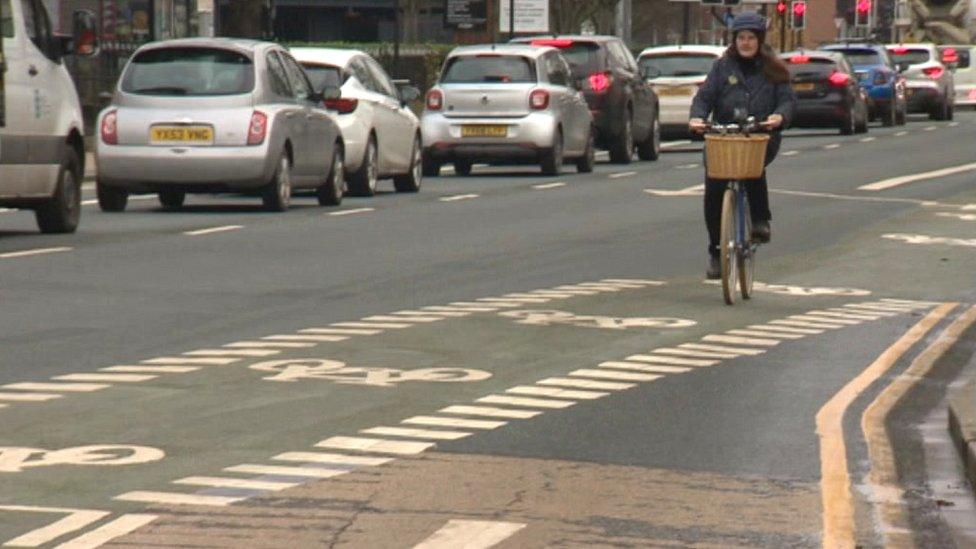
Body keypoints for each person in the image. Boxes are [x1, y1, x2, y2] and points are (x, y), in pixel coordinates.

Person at [689, 11, 796, 280]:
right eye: (741, 38)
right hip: (724, 135)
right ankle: (716, 250)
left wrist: (778, 116)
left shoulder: (774, 69)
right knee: (714, 190)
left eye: (750, 38)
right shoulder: (722, 67)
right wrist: (697, 117)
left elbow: (787, 100)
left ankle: (760, 220)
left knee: (753, 167)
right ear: (734, 40)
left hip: (760, 133)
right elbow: (704, 97)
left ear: (759, 40)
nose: (745, 43)